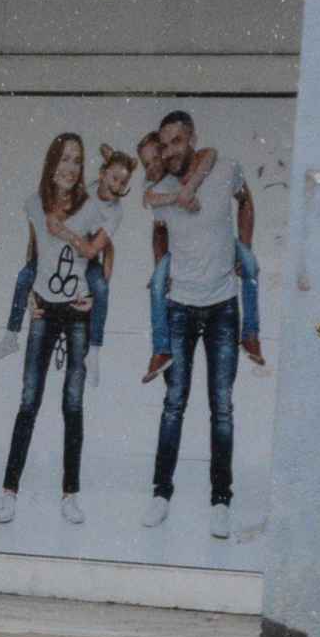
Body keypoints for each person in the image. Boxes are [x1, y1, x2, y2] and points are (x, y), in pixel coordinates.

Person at [142, 110, 258, 540]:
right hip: (179, 307)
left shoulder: (224, 169)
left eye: (177, 141)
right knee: (174, 403)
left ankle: (221, 500)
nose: (170, 150)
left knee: (221, 407)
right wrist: (162, 268)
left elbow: (246, 199)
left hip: (224, 305)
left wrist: (243, 249)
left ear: (192, 139)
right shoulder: (159, 187)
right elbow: (157, 227)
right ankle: (161, 493)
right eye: (164, 142)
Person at [0, 132, 103, 528]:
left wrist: (94, 295)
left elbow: (102, 258)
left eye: (77, 160)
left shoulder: (91, 209)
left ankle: (70, 494)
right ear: (51, 163)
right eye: (64, 159)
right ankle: (9, 492)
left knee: (72, 405)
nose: (71, 168)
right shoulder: (34, 206)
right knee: (28, 401)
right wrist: (28, 299)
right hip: (44, 309)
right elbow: (33, 254)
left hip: (76, 312)